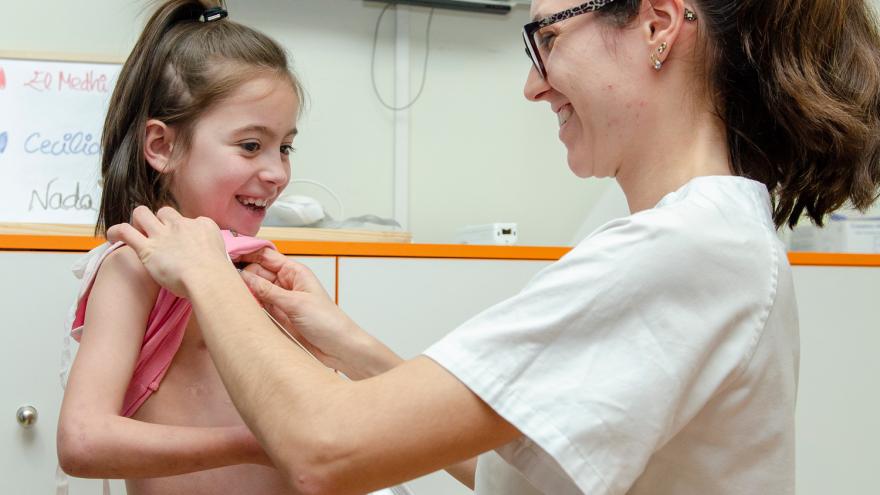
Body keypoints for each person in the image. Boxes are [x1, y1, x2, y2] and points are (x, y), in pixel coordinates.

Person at [107, 0, 880, 493]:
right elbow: (529, 469)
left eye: (544, 38)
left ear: (656, 23)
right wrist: (347, 342)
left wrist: (204, 269)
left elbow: (323, 447)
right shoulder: (668, 235)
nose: (533, 85)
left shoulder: (686, 249)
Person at [56, 1, 304, 493]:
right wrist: (255, 441)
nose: (277, 172)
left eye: (286, 147)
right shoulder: (134, 270)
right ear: (162, 146)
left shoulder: (258, 272)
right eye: (251, 145)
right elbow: (81, 441)